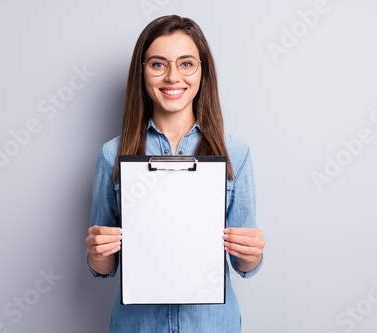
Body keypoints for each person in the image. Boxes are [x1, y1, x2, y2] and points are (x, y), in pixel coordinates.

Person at [84, 14, 265, 333]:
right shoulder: (111, 155)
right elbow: (104, 267)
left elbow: (245, 265)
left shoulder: (236, 153)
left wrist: (251, 253)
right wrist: (97, 251)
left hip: (211, 325)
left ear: (202, 71)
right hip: (137, 325)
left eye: (186, 64)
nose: (172, 77)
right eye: (157, 64)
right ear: (142, 72)